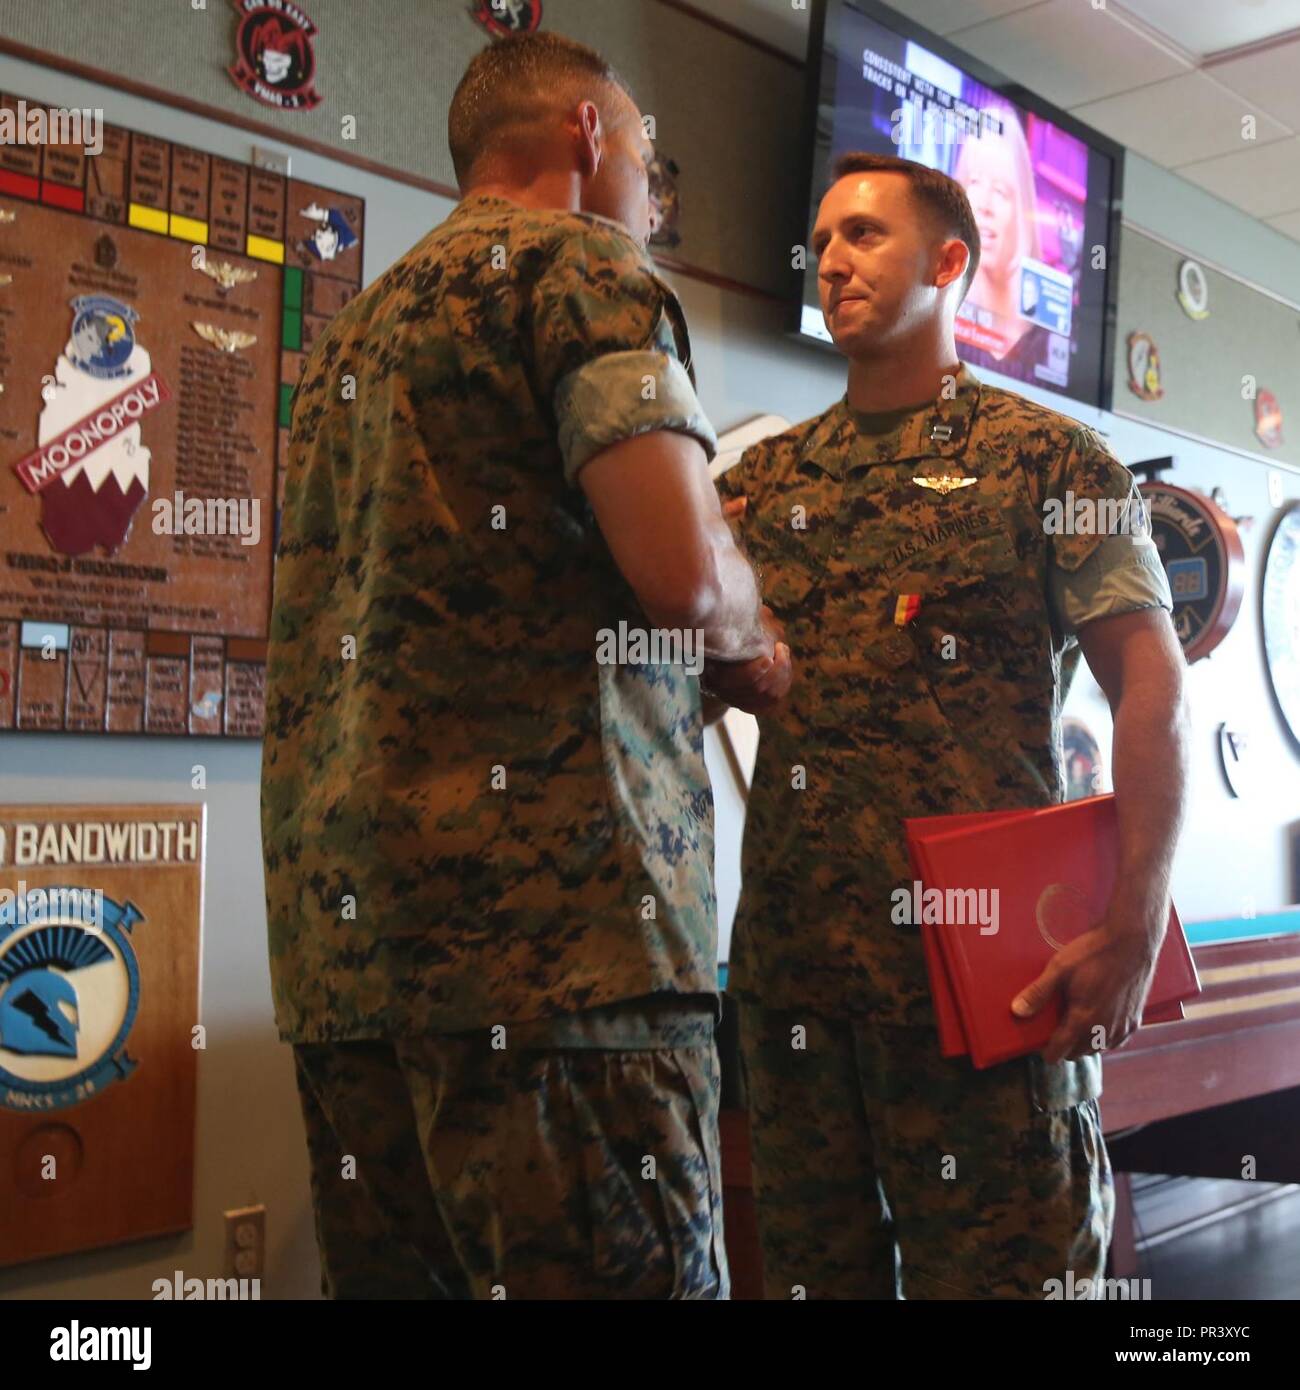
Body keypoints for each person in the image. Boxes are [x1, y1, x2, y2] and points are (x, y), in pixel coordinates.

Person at [261, 31, 791, 1300]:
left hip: (349, 970)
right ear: (591, 138)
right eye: (649, 163)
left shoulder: (346, 341)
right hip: (563, 963)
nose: (649, 199)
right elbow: (685, 576)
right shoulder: (582, 269)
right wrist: (759, 646)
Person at [716, 150, 1187, 1299]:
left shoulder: (1048, 463)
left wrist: (1134, 921)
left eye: (864, 235)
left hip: (986, 987)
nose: (830, 260)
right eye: (821, 240)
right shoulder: (763, 485)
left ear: (949, 262)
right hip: (798, 985)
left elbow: (1154, 690)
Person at [952, 103, 1053, 382]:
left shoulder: (1044, 333)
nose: (984, 205)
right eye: (974, 182)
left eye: (1000, 190)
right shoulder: (939, 315)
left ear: (1020, 206)